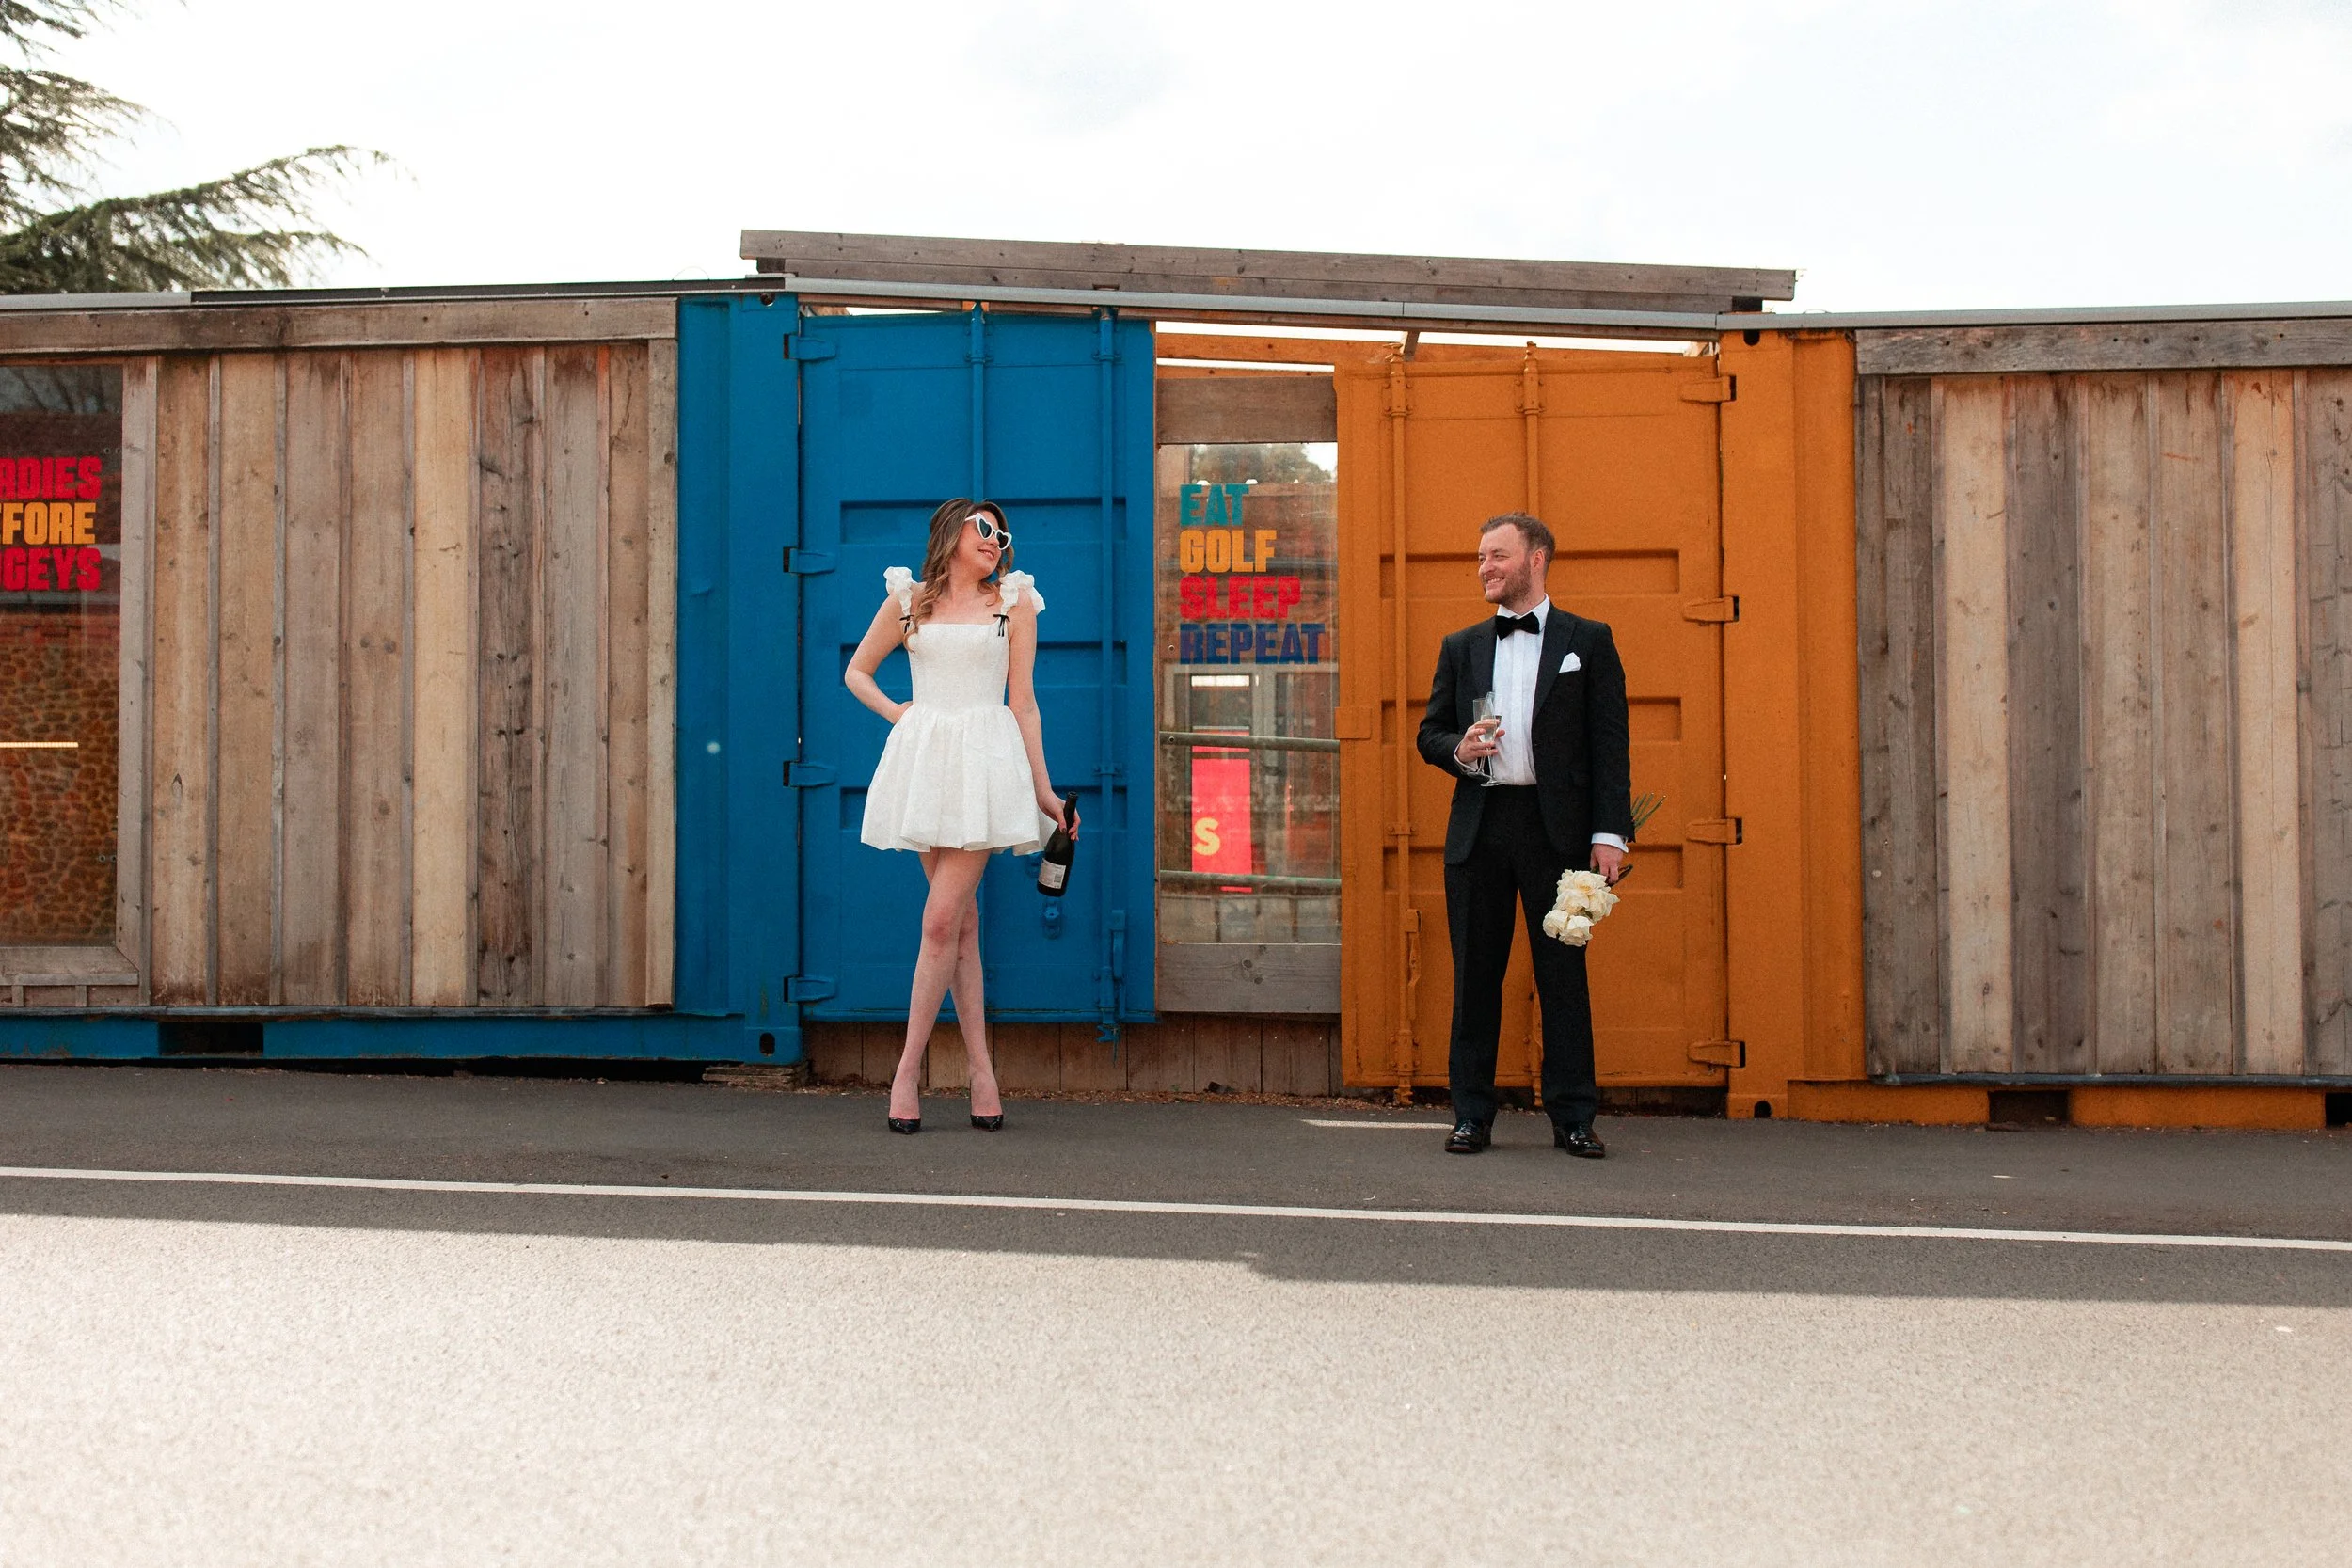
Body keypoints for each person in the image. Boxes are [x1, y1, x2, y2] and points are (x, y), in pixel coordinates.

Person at [845, 498, 1074, 1135]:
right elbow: (857, 673)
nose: (997, 540)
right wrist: (903, 716)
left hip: (985, 767)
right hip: (929, 766)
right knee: (963, 930)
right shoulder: (907, 599)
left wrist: (1045, 795)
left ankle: (906, 1071)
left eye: (1003, 534)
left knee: (940, 919)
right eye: (984, 528)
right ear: (950, 532)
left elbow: (1023, 704)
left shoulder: (1015, 603)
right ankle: (982, 1071)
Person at [1415, 513, 1633, 1159]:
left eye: (1498, 555)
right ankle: (1471, 1115)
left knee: (1563, 976)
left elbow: (1610, 745)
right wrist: (1461, 747)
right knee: (1475, 977)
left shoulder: (1588, 642)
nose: (1485, 567)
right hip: (1481, 829)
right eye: (1481, 557)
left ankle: (1572, 1116)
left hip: (1557, 831)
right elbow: (1430, 732)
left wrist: (1610, 835)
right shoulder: (1462, 646)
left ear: (1536, 559)